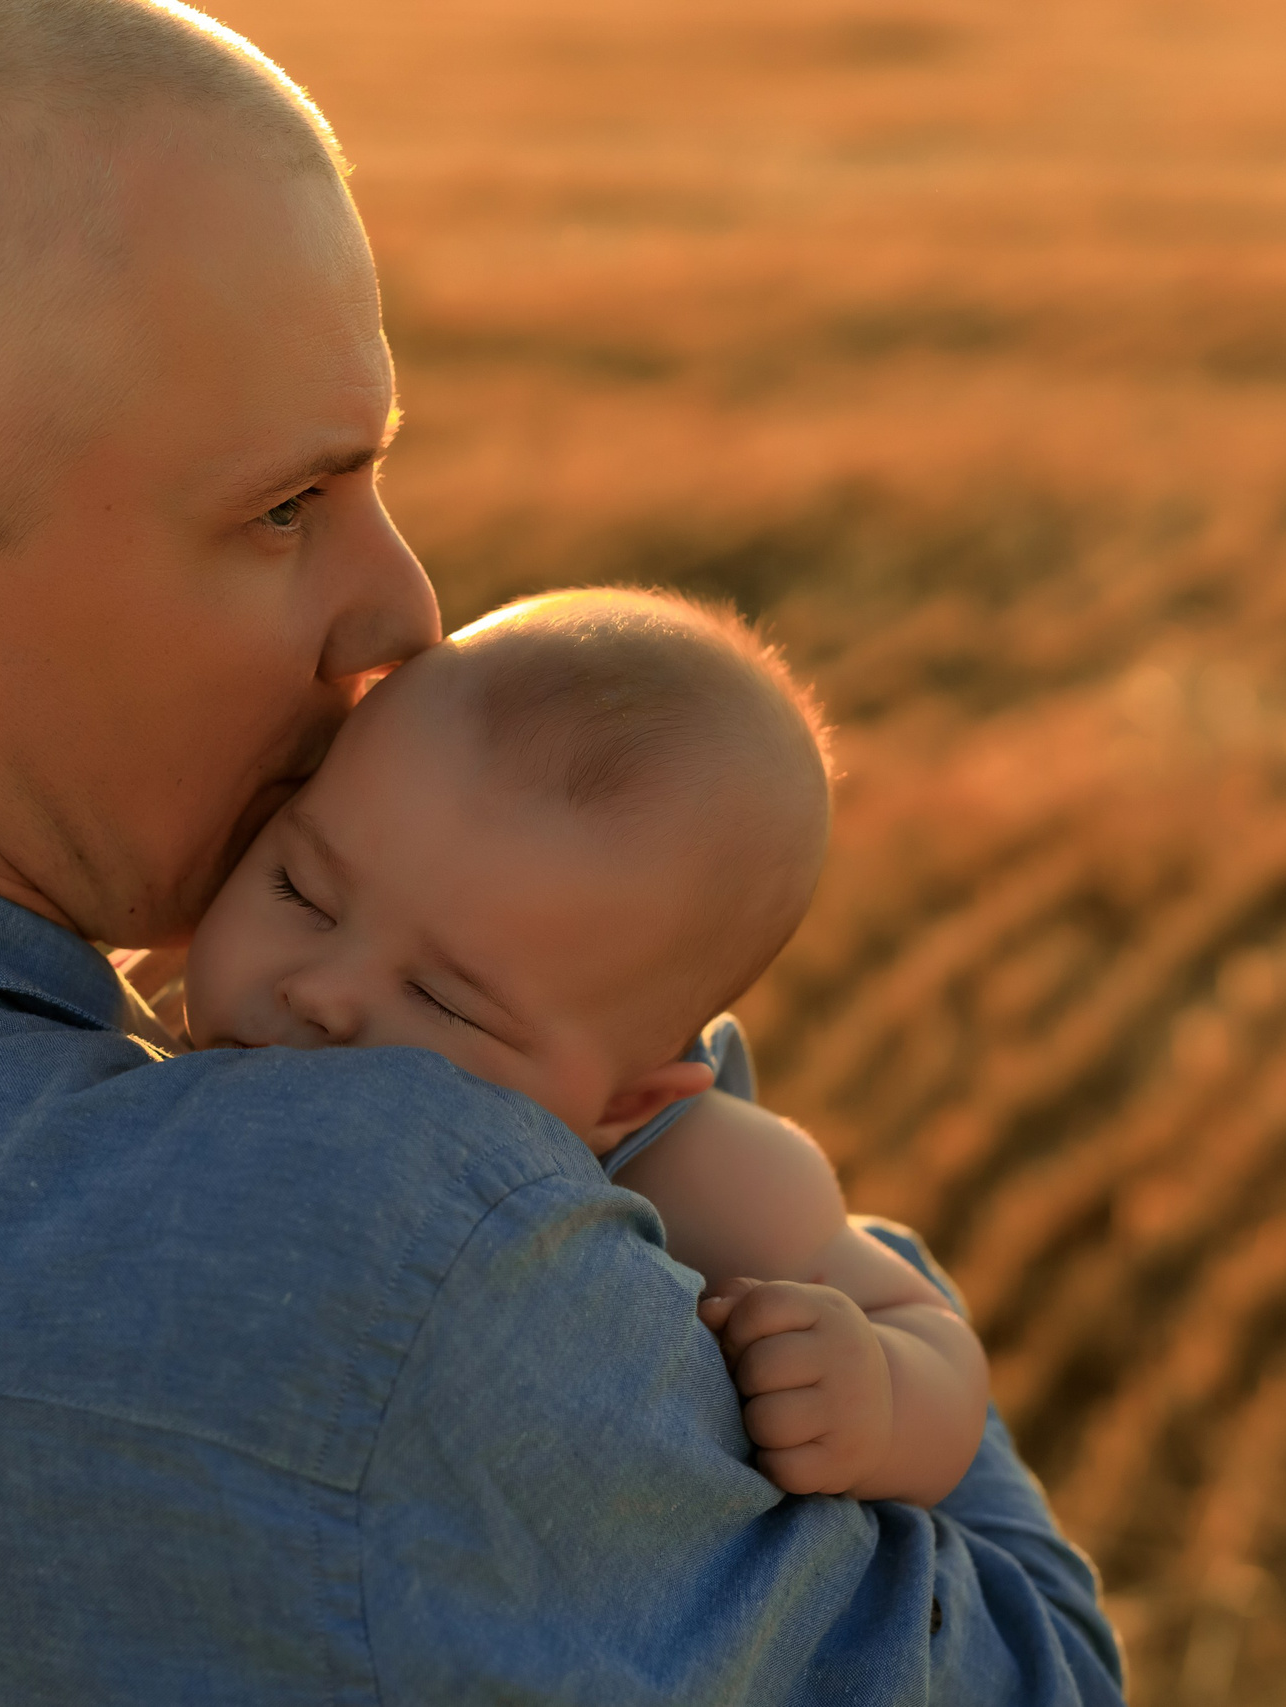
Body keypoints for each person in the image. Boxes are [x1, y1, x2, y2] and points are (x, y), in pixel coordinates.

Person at [0, 1, 1126, 1700]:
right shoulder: (397, 1237)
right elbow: (1037, 1664)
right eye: (282, 507)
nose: (398, 608)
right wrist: (679, 1136)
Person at [177, 585, 991, 1507]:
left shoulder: (702, 1174)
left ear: (625, 1102)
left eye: (443, 999)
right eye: (301, 891)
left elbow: (924, 1327)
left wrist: (875, 1394)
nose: (320, 992)